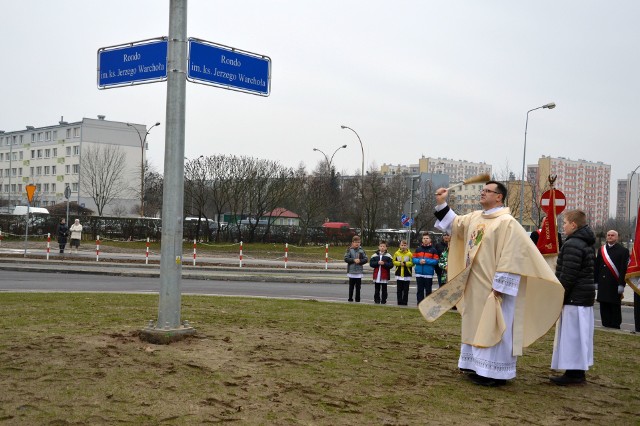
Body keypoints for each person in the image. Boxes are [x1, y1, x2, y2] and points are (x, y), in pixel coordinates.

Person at [432, 181, 563, 387]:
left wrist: (501, 285)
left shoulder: (507, 223)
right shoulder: (476, 217)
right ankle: (475, 366)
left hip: (495, 287)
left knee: (494, 326)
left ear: (499, 197)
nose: (482, 193)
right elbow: (455, 224)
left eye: (487, 191)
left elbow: (514, 255)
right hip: (474, 285)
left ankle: (494, 373)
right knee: (474, 324)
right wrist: (442, 203)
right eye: (482, 190)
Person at [550, 210, 596, 385]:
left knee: (573, 336)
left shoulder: (573, 244)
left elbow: (568, 275)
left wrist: (560, 295)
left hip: (575, 297)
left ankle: (574, 374)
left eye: (565, 223)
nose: (563, 226)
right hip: (582, 296)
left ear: (574, 225)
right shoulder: (585, 242)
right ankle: (576, 371)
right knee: (579, 336)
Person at [594, 230, 629, 329]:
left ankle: (615, 325)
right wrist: (595, 281)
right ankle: (605, 324)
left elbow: (623, 269)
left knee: (614, 305)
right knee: (603, 304)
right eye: (608, 235)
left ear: (617, 237)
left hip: (614, 283)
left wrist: (621, 284)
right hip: (603, 283)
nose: (610, 237)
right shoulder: (601, 250)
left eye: (612, 235)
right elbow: (597, 266)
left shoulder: (623, 251)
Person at [413, 233, 439, 304]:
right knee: (420, 290)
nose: (425, 240)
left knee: (428, 290)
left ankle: (428, 304)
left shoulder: (433, 250)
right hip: (419, 273)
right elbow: (413, 259)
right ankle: (419, 303)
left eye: (427, 238)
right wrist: (419, 261)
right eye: (424, 238)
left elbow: (436, 261)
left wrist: (426, 261)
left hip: (428, 273)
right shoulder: (418, 249)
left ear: (430, 240)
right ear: (422, 240)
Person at [344, 235, 368, 303]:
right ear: (352, 242)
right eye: (355, 242)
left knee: (358, 287)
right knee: (351, 286)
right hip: (351, 271)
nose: (357, 243)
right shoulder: (349, 250)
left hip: (359, 272)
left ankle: (358, 299)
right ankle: (350, 299)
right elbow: (346, 259)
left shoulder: (362, 250)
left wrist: (360, 261)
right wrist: (353, 260)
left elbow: (366, 259)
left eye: (358, 242)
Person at [393, 240, 413, 306]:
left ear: (407, 246)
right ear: (400, 246)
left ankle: (405, 302)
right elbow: (394, 261)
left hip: (407, 274)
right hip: (399, 274)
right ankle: (399, 301)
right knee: (399, 290)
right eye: (402, 245)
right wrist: (399, 263)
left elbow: (412, 263)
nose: (403, 247)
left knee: (406, 290)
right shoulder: (396, 253)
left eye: (405, 245)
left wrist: (405, 263)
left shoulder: (409, 254)